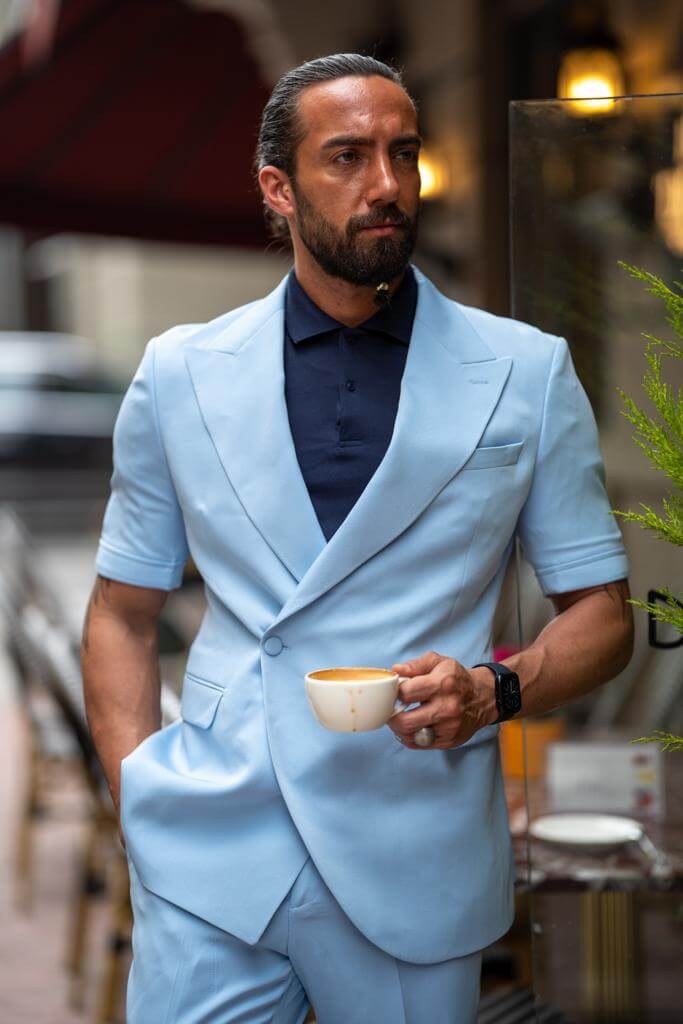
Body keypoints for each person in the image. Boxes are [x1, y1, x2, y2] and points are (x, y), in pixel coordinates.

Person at [81, 53, 634, 1024]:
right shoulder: (178, 374)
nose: (386, 183)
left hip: (413, 841)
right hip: (212, 846)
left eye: (402, 153)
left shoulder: (525, 372)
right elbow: (121, 613)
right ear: (278, 189)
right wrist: (141, 803)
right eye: (347, 156)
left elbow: (603, 616)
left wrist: (493, 690)